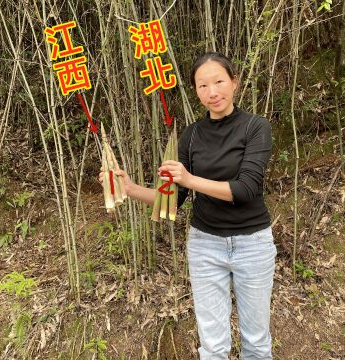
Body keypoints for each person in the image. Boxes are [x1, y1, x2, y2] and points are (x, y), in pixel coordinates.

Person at [99, 52, 275, 359]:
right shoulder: (192, 135)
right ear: (195, 91)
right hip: (205, 246)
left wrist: (191, 180)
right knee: (213, 346)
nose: (213, 92)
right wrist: (128, 188)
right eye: (203, 85)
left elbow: (245, 189)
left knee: (256, 343)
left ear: (234, 83)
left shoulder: (255, 127)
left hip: (253, 244)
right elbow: (172, 201)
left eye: (219, 81)